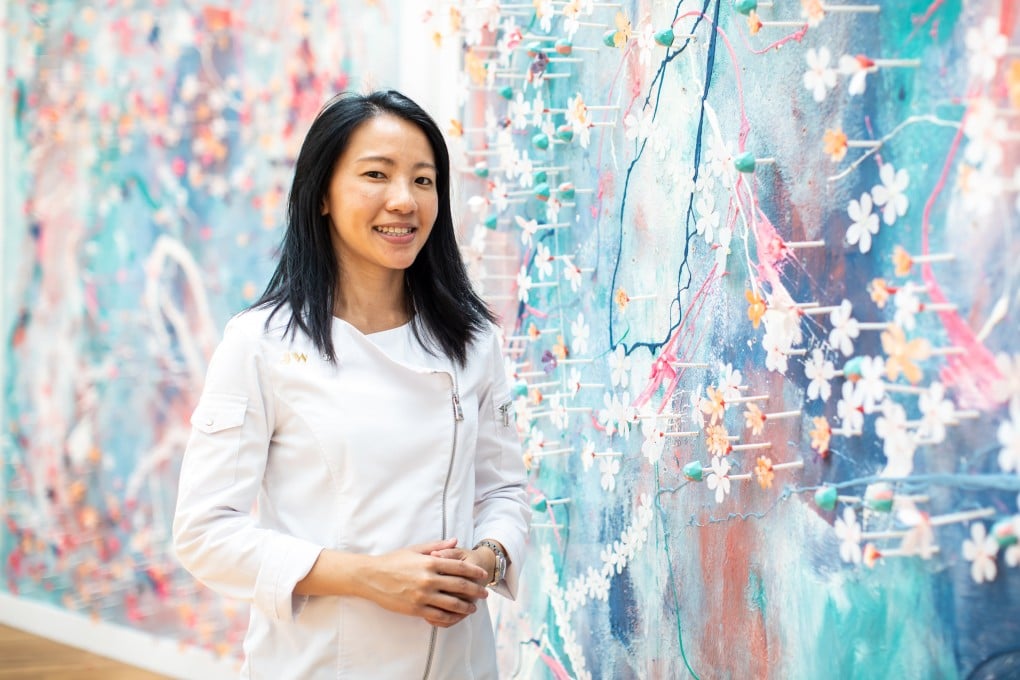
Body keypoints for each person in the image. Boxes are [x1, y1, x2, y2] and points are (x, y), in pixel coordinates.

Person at [173, 90, 531, 679]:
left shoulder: (471, 341)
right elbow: (206, 533)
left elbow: (502, 491)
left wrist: (486, 561)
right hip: (319, 662)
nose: (404, 201)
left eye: (423, 180)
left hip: (457, 661)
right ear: (321, 196)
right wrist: (372, 577)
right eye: (375, 175)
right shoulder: (260, 344)